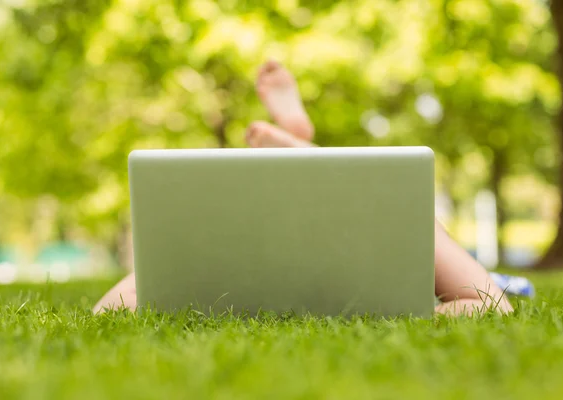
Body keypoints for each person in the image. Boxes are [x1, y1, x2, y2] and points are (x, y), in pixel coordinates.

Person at [93, 61, 513, 316]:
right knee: (355, 194)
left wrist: (416, 313)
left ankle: (302, 151)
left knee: (371, 197)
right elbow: (106, 313)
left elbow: (493, 305)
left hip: (364, 216)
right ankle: (303, 152)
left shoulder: (377, 219)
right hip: (340, 214)